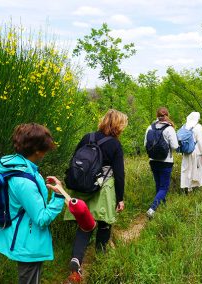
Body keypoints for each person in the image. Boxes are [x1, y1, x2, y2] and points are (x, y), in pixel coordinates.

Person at [0, 123, 65, 284]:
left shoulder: (15, 163)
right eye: (46, 147)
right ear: (37, 151)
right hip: (27, 243)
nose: (47, 151)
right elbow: (42, 218)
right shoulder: (24, 182)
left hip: (18, 232)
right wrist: (58, 197)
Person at [64, 109, 128, 283]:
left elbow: (73, 160)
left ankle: (76, 261)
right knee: (104, 224)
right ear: (118, 125)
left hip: (82, 187)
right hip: (103, 189)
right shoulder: (114, 145)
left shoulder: (87, 137)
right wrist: (120, 198)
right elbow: (119, 174)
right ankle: (101, 256)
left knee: (85, 226)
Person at [144, 107, 179, 219]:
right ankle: (152, 209)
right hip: (166, 161)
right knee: (164, 188)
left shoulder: (150, 127)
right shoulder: (169, 129)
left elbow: (145, 144)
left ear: (157, 115)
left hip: (153, 161)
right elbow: (174, 146)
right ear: (167, 115)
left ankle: (163, 206)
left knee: (159, 185)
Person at [180, 112, 202, 193]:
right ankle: (201, 187)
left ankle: (188, 188)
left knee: (188, 170)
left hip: (186, 152)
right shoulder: (198, 126)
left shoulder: (184, 126)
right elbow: (200, 142)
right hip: (197, 152)